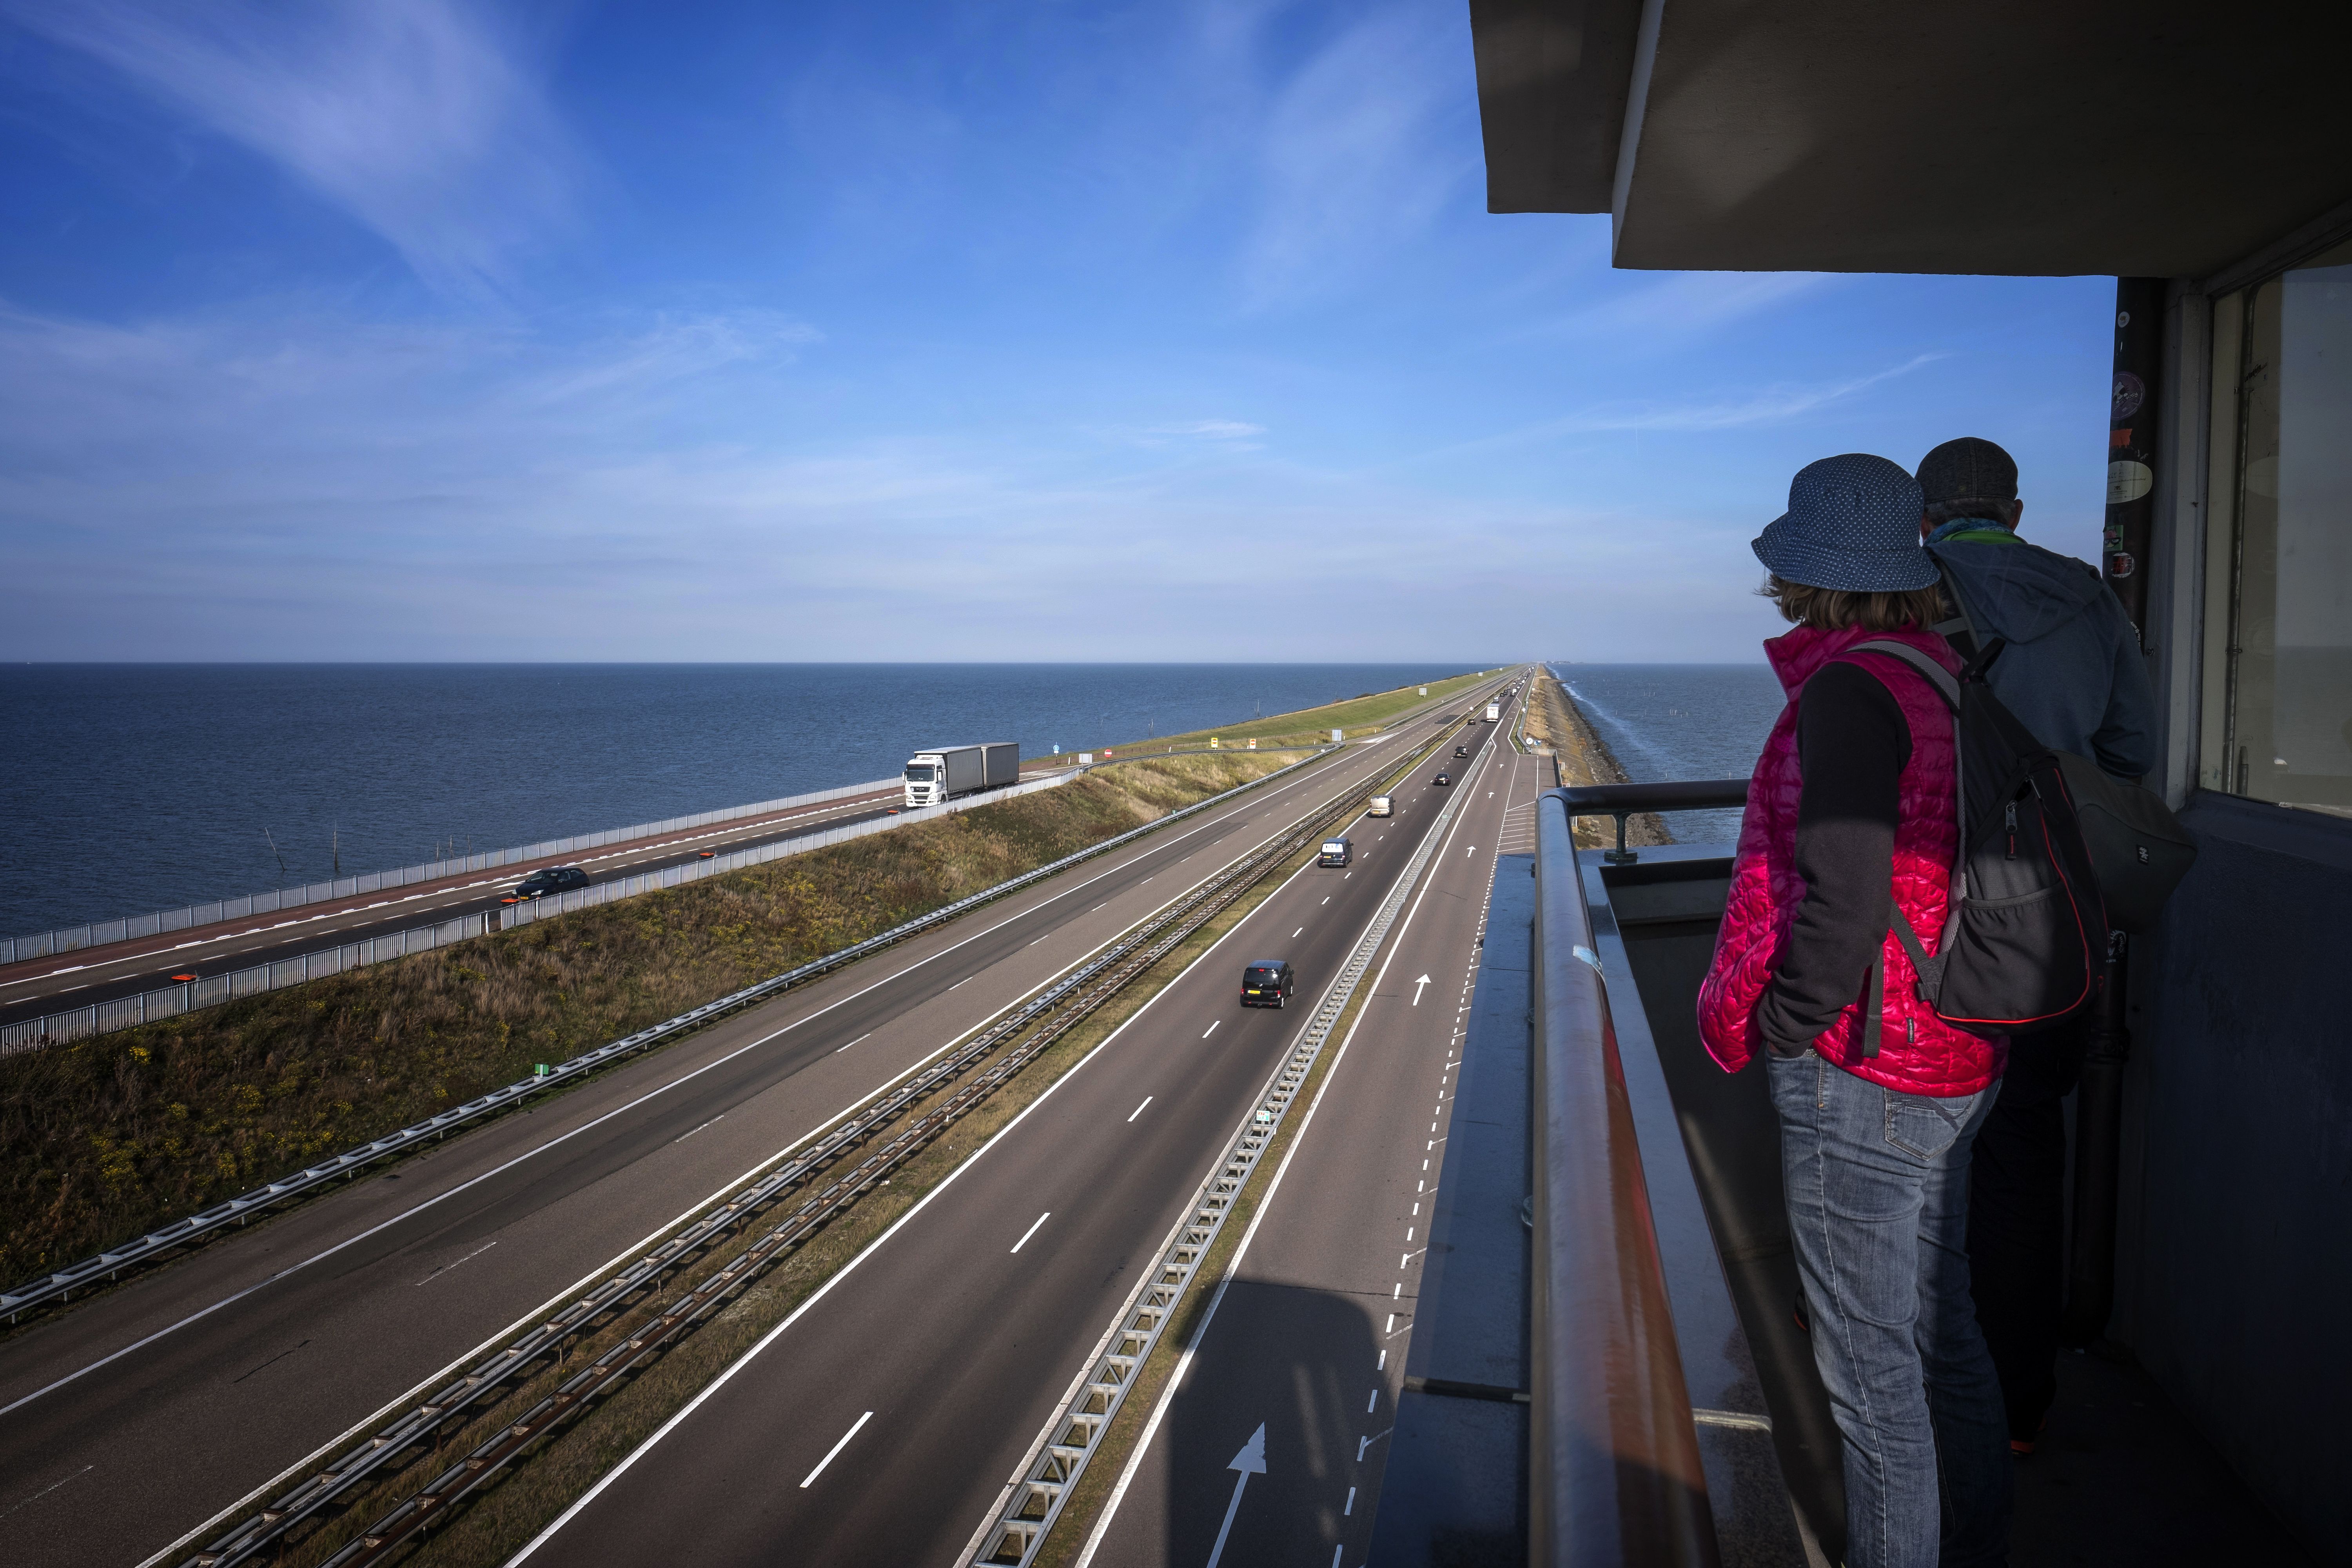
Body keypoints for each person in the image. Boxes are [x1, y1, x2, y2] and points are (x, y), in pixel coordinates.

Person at [1699, 452, 2011, 1568]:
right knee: (1943, 1336)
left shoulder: (1847, 687)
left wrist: (1786, 1023)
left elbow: (1840, 892)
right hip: (1959, 1049)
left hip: (1867, 1066)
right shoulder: (1944, 667)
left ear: (1803, 579)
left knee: (1872, 1382)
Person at [1914, 436, 2156, 1455]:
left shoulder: (1893, 595)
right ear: (2013, 512)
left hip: (1921, 913)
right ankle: (2018, 1405)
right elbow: (2131, 751)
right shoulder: (2088, 599)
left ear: (1922, 521)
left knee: (1903, 1149)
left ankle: (1900, 1375)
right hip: (2052, 911)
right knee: (2022, 1154)